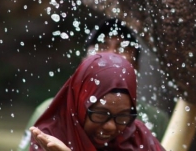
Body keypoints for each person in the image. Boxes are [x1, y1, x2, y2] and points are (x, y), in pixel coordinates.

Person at [17, 19, 169, 151]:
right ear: (84, 63)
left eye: (123, 116)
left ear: (135, 65)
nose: (111, 54)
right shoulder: (52, 125)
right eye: (100, 114)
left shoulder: (140, 133)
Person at [30, 52, 165, 151]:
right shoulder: (50, 138)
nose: (111, 126)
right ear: (80, 106)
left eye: (123, 116)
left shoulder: (137, 137)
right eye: (101, 114)